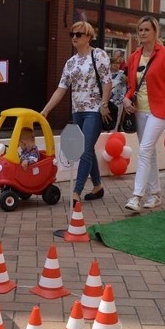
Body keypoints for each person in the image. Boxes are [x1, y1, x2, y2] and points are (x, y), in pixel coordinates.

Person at [122, 16, 165, 211]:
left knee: (144, 150)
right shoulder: (134, 56)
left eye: (146, 30)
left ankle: (136, 196)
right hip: (139, 111)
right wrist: (126, 99)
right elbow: (131, 86)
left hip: (159, 111)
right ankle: (156, 194)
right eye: (140, 30)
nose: (142, 33)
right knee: (149, 153)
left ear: (155, 32)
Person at [41, 21, 112, 205]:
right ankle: (97, 186)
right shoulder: (70, 62)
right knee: (87, 149)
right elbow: (61, 89)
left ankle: (76, 192)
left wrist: (104, 103)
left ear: (88, 36)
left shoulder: (98, 55)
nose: (74, 37)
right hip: (77, 111)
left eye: (78, 34)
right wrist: (46, 110)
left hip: (94, 110)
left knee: (85, 150)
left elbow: (107, 81)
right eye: (72, 34)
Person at [109, 50, 127, 130]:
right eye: (114, 63)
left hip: (118, 102)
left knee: (116, 122)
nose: (116, 65)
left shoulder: (122, 74)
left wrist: (121, 100)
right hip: (107, 101)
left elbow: (124, 87)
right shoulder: (106, 74)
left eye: (118, 63)